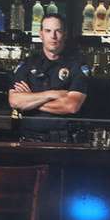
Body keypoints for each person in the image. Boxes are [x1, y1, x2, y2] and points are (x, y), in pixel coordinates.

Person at [8, 13, 89, 142]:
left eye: (58, 31)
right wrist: (52, 94)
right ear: (41, 34)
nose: (53, 36)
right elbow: (15, 101)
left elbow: (71, 106)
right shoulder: (28, 63)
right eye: (48, 31)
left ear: (65, 34)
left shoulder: (76, 64)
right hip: (29, 140)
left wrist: (30, 100)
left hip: (64, 141)